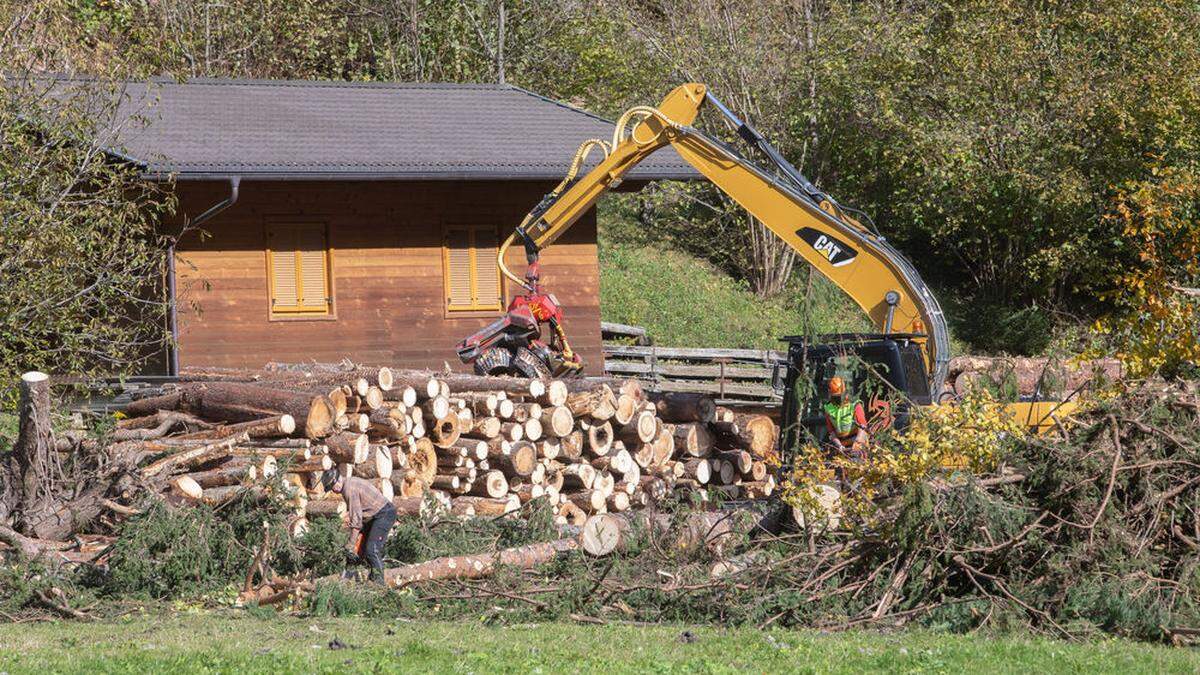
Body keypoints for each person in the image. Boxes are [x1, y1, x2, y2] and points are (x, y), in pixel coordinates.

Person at [321, 469, 396, 584]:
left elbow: (356, 522)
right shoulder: (349, 483)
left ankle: (379, 585)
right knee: (358, 550)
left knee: (372, 550)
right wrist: (353, 546)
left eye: (332, 487)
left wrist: (350, 544)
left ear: (337, 480)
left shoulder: (349, 489)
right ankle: (350, 579)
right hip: (373, 517)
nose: (333, 491)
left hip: (384, 514)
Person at [823, 376, 870, 460]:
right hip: (841, 443)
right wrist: (839, 445)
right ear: (830, 394)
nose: (838, 399)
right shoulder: (828, 408)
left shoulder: (854, 405)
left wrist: (858, 442)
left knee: (855, 463)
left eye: (839, 396)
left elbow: (863, 427)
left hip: (857, 439)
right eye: (835, 396)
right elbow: (831, 432)